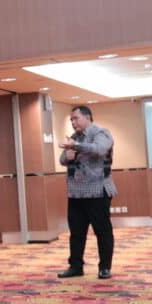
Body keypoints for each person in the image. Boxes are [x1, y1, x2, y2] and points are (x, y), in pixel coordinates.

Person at [57, 105, 117, 280]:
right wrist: (67, 155)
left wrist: (76, 146)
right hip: (76, 193)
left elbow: (99, 149)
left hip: (97, 191)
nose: (73, 122)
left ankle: (104, 267)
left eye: (76, 118)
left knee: (102, 231)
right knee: (76, 232)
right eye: (71, 119)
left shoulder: (101, 133)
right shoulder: (75, 138)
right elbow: (63, 160)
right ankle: (76, 266)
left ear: (87, 117)